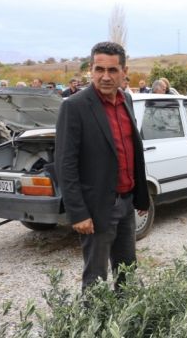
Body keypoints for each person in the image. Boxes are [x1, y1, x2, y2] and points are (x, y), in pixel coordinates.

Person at [55, 41, 149, 291]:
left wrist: (141, 197)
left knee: (127, 272)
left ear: (124, 71)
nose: (105, 77)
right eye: (99, 69)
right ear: (91, 70)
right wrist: (78, 213)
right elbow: (65, 164)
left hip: (126, 203)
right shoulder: (74, 107)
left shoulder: (126, 99)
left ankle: (124, 325)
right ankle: (93, 328)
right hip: (96, 209)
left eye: (112, 70)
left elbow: (131, 151)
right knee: (95, 280)